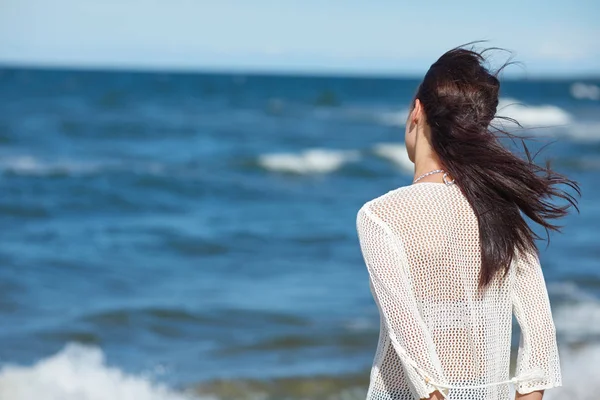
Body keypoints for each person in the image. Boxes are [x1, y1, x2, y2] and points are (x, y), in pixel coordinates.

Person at [356, 45, 580, 400]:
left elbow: (410, 338)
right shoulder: (501, 209)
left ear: (417, 111)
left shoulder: (382, 216)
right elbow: (540, 334)